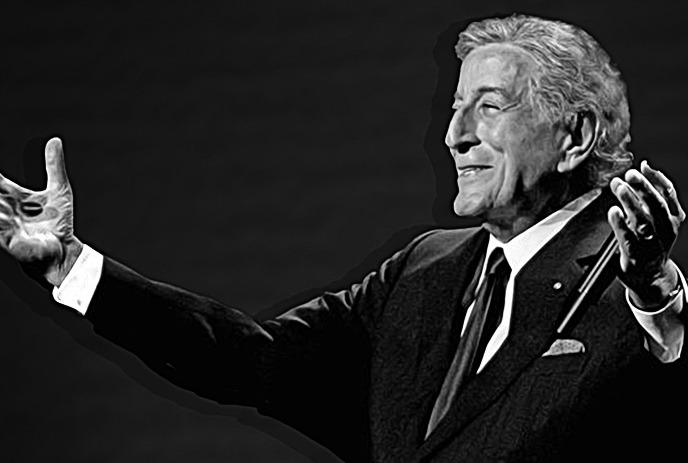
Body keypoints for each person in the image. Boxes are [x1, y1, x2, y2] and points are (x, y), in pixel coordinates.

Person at [0, 14, 685, 462]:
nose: (455, 137)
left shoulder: (635, 279)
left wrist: (655, 294)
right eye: (454, 109)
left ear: (575, 138)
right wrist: (71, 267)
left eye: (489, 107)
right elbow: (252, 360)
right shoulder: (426, 268)